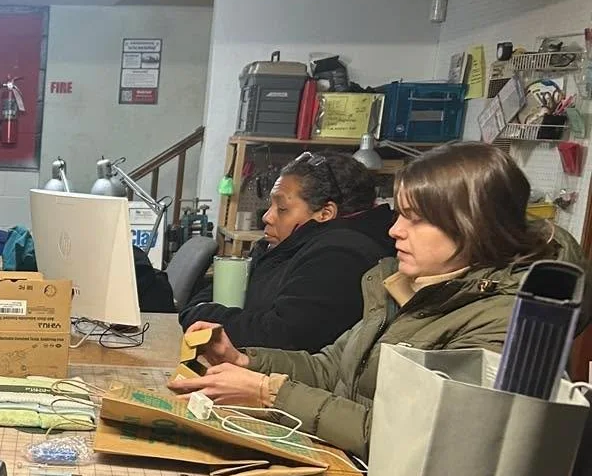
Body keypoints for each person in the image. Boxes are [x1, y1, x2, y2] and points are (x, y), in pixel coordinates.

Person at [169, 142, 585, 459]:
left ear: (474, 226)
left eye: (415, 219)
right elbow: (333, 367)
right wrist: (244, 360)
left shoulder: (504, 322)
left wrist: (269, 393)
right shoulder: (406, 285)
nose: (394, 230)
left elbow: (414, 438)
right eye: (400, 214)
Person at [178, 151, 395, 350]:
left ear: (325, 213)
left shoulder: (340, 257)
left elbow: (280, 335)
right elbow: (212, 294)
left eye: (282, 208)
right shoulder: (278, 248)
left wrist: (203, 314)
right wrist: (202, 310)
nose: (267, 217)